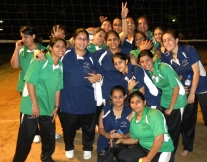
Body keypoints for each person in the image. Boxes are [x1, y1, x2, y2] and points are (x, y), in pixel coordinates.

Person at [161, 28, 207, 155]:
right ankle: (187, 146)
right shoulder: (166, 57)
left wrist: (192, 93)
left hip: (202, 86)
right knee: (188, 117)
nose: (167, 42)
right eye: (164, 41)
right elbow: (170, 73)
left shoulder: (188, 50)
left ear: (176, 40)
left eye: (170, 39)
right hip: (187, 86)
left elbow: (196, 72)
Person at [12, 37, 66, 162]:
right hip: (31, 106)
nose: (61, 49)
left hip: (48, 107)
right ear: (50, 48)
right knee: (25, 139)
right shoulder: (40, 60)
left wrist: (56, 107)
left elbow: (58, 88)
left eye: (63, 46)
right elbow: (30, 83)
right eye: (57, 46)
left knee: (49, 137)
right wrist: (35, 105)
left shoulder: (60, 65)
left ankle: (46, 158)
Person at [59, 28, 103, 160]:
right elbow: (50, 53)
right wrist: (39, 52)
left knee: (88, 128)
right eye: (79, 38)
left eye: (85, 39)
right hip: (68, 101)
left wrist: (98, 77)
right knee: (69, 127)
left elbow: (101, 74)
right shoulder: (64, 54)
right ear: (73, 40)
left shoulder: (93, 57)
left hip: (87, 100)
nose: (82, 41)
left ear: (88, 42)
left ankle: (88, 147)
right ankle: (69, 147)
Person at [138, 50, 187, 153]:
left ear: (153, 59)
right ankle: (164, 150)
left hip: (177, 99)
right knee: (165, 127)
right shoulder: (148, 72)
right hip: (164, 99)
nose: (145, 64)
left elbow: (176, 88)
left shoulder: (163, 67)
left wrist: (171, 107)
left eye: (147, 60)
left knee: (174, 129)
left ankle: (171, 153)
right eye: (142, 62)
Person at [10, 26, 47, 143]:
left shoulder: (44, 50)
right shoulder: (22, 51)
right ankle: (35, 132)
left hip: (40, 86)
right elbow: (15, 65)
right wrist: (16, 49)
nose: (23, 39)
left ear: (33, 36)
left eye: (26, 36)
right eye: (22, 37)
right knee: (28, 110)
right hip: (25, 86)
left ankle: (46, 130)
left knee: (43, 107)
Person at [116, 91, 174, 162]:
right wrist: (122, 139)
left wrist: (148, 159)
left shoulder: (153, 114)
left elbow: (159, 140)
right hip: (144, 148)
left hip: (162, 150)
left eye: (138, 101)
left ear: (144, 102)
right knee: (123, 156)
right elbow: (135, 139)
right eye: (132, 102)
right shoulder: (134, 118)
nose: (135, 104)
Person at [92, 30, 131, 106]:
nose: (112, 42)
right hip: (108, 95)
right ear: (106, 42)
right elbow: (85, 57)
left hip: (125, 94)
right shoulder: (100, 54)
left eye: (115, 39)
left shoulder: (127, 53)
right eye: (109, 40)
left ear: (119, 41)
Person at [97, 85, 132, 162]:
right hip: (105, 142)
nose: (118, 100)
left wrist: (124, 136)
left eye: (120, 97)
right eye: (115, 97)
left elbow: (134, 131)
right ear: (111, 97)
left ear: (125, 96)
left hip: (123, 143)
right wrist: (107, 135)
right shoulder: (105, 111)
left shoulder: (130, 112)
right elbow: (101, 128)